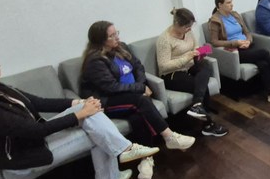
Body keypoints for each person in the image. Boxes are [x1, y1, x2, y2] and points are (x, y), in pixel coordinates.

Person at [0, 45, 159, 179]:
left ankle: (121, 153)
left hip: (31, 139)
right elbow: (34, 131)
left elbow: (38, 102)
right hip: (22, 156)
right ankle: (115, 166)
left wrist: (77, 103)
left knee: (90, 112)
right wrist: (79, 114)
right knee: (96, 132)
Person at [81, 21, 199, 162]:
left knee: (137, 115)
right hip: (108, 101)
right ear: (100, 41)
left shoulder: (121, 47)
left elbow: (138, 67)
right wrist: (140, 88)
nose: (117, 37)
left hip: (129, 94)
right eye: (111, 36)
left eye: (116, 33)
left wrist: (141, 84)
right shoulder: (95, 61)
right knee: (141, 101)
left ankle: (146, 158)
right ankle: (169, 137)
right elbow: (111, 87)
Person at [208, 0, 270, 103]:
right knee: (264, 53)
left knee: (263, 63)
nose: (232, 4)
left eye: (231, 2)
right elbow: (214, 42)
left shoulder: (235, 15)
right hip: (235, 51)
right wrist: (235, 43)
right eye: (228, 3)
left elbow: (247, 32)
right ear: (220, 5)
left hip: (247, 46)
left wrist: (248, 41)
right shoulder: (215, 20)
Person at [156, 9, 228, 137]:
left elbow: (195, 46)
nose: (189, 29)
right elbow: (163, 66)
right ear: (176, 24)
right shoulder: (164, 39)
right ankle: (208, 125)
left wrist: (200, 51)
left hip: (189, 65)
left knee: (205, 68)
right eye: (186, 27)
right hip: (172, 74)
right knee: (200, 85)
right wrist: (187, 57)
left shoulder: (188, 32)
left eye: (191, 26)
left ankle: (197, 104)